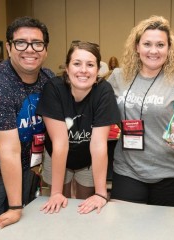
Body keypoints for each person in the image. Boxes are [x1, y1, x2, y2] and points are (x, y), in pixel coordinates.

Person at [108, 15, 174, 207]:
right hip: (128, 170)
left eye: (160, 45)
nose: (153, 51)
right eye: (147, 44)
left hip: (172, 172)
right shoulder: (118, 77)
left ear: (169, 48)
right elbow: (100, 112)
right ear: (137, 47)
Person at [0, 16, 54, 238]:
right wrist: (16, 207)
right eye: (21, 43)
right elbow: (8, 150)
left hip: (25, 167)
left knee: (19, 230)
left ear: (45, 50)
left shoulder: (47, 79)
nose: (30, 49)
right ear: (8, 47)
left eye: (37, 43)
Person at [37, 41, 120, 214]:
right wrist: (57, 193)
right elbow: (60, 143)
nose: (83, 70)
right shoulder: (53, 89)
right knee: (58, 205)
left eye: (90, 65)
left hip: (88, 158)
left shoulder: (104, 91)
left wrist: (101, 194)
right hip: (57, 155)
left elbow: (98, 145)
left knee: (85, 205)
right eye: (77, 64)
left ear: (98, 70)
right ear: (67, 68)